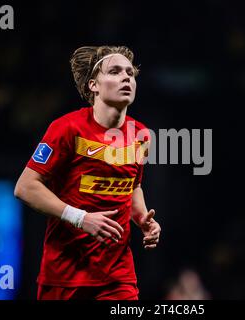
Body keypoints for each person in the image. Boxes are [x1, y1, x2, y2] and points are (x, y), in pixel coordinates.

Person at [14, 45, 161, 300]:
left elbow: (132, 185)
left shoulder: (142, 135)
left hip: (117, 278)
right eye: (115, 71)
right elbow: (25, 187)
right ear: (93, 85)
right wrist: (82, 218)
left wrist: (142, 219)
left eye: (130, 73)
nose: (126, 77)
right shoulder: (66, 128)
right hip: (64, 275)